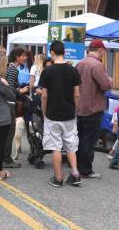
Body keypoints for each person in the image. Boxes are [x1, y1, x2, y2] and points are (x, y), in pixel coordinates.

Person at [39, 41, 82, 188]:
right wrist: (74, 109)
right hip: (69, 114)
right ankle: (75, 173)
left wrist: (44, 111)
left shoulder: (47, 71)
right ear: (64, 52)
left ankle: (58, 177)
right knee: (71, 145)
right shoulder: (73, 70)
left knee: (55, 146)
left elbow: (44, 95)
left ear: (52, 53)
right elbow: (77, 94)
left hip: (53, 114)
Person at [75, 39, 113, 178]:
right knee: (89, 141)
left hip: (80, 106)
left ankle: (77, 166)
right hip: (93, 107)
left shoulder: (80, 63)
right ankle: (86, 170)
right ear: (101, 50)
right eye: (103, 52)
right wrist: (110, 80)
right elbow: (105, 85)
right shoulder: (97, 65)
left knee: (80, 138)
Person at [4, 47, 30, 168]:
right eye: (23, 56)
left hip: (5, 102)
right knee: (10, 131)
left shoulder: (10, 67)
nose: (25, 58)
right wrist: (21, 90)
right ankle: (6, 158)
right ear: (17, 57)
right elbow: (9, 88)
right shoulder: (13, 69)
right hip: (9, 103)